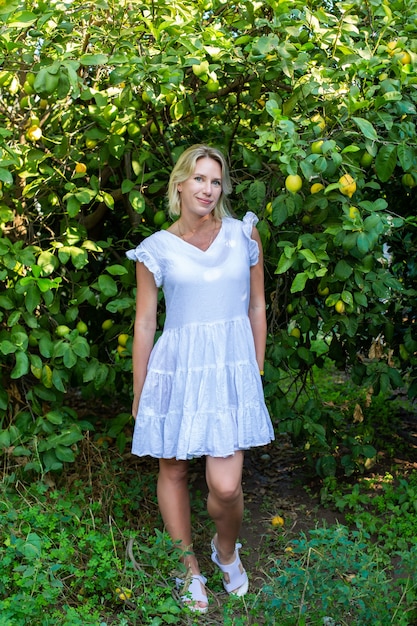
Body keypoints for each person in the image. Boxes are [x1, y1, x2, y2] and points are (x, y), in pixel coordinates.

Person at [126, 144, 274, 613]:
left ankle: (224, 551)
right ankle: (186, 566)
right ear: (179, 185)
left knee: (226, 485)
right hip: (177, 367)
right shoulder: (154, 249)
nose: (209, 189)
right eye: (199, 179)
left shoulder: (243, 234)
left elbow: (257, 306)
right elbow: (146, 324)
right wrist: (140, 388)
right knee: (172, 467)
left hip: (230, 369)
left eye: (216, 181)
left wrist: (255, 368)